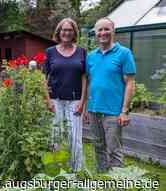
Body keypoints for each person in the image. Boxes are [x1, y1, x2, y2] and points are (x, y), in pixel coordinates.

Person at [86, 17, 136, 172]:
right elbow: (90, 82)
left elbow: (129, 83)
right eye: (99, 30)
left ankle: (117, 185)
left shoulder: (124, 53)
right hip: (94, 109)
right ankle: (102, 180)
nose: (103, 33)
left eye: (106, 29)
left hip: (113, 112)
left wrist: (124, 111)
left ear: (113, 31)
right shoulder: (91, 56)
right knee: (98, 147)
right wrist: (88, 108)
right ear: (95, 33)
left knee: (114, 150)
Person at [43, 18, 87, 172]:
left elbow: (84, 78)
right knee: (54, 136)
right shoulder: (50, 52)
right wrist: (48, 101)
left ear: (74, 32)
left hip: (75, 101)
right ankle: (54, 170)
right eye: (64, 30)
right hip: (55, 100)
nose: (66, 33)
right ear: (59, 32)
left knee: (75, 138)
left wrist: (83, 102)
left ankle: (75, 171)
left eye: (70, 30)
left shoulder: (81, 51)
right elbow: (45, 78)